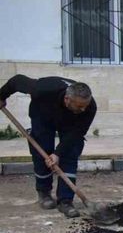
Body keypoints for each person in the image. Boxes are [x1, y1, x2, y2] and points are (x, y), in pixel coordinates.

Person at [0, 75, 97, 218]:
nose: (83, 109)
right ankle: (44, 193)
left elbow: (77, 133)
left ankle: (65, 200)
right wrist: (1, 96)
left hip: (70, 123)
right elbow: (16, 80)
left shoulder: (89, 107)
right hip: (43, 116)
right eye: (79, 106)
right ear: (67, 99)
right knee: (42, 151)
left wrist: (57, 153)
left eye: (85, 106)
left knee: (71, 151)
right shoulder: (43, 89)